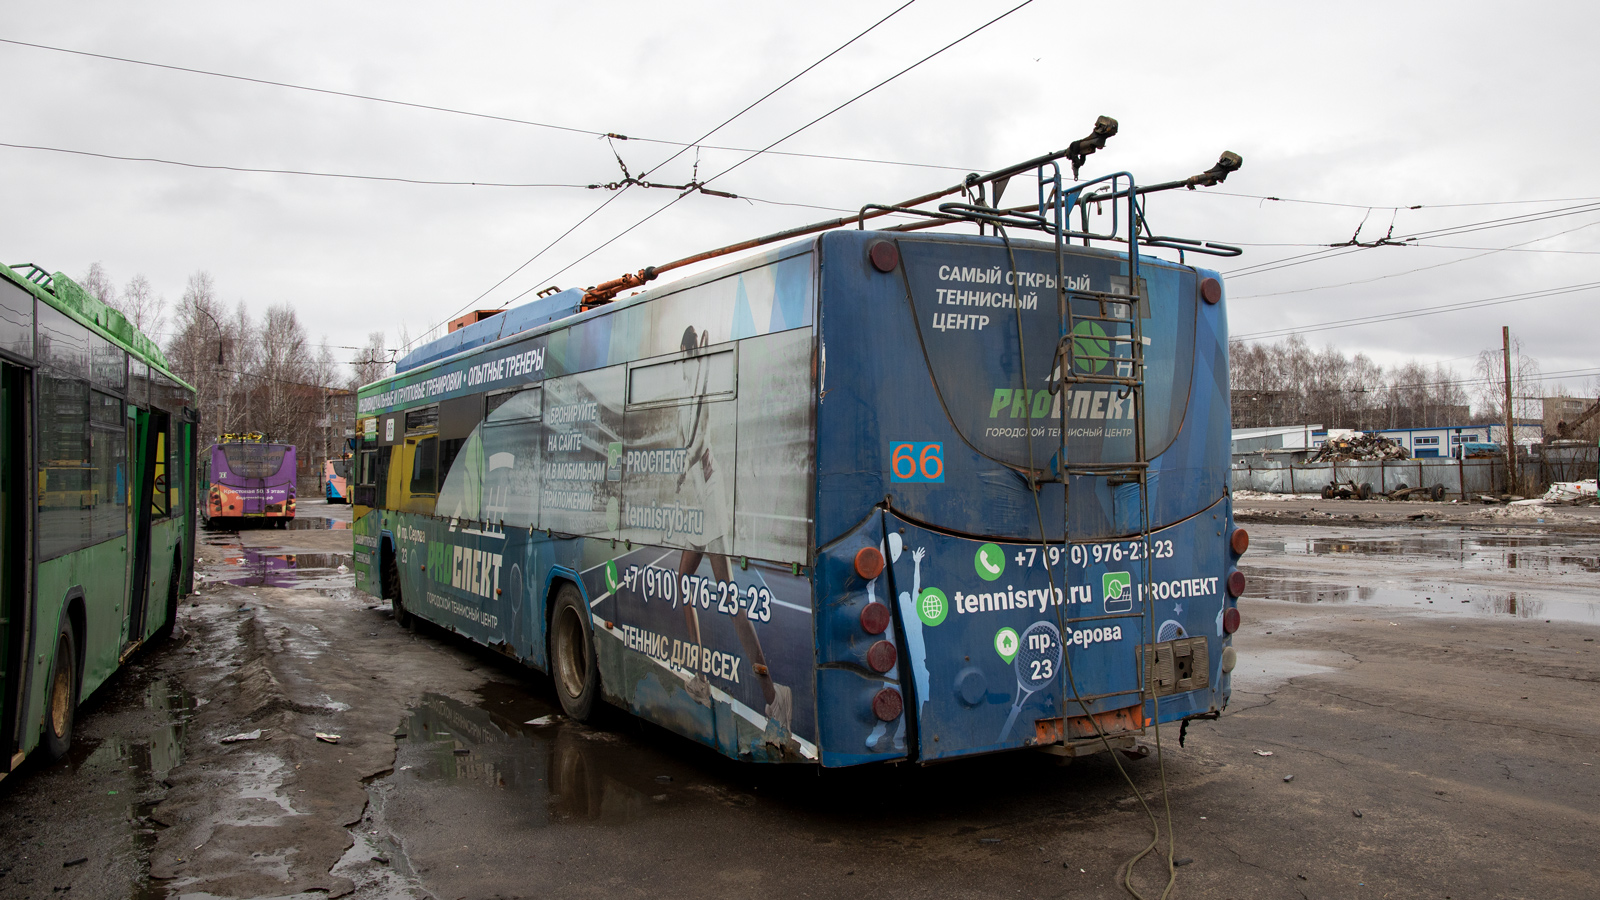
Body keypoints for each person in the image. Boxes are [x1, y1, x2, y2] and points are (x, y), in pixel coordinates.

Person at [671, 326, 791, 730]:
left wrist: (683, 465)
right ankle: (701, 678)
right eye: (683, 357)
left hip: (711, 492)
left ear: (693, 355)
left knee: (727, 594)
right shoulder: (684, 396)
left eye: (687, 356)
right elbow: (686, 441)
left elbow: (701, 440)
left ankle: (773, 698)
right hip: (696, 499)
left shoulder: (704, 393)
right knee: (683, 580)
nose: (684, 363)